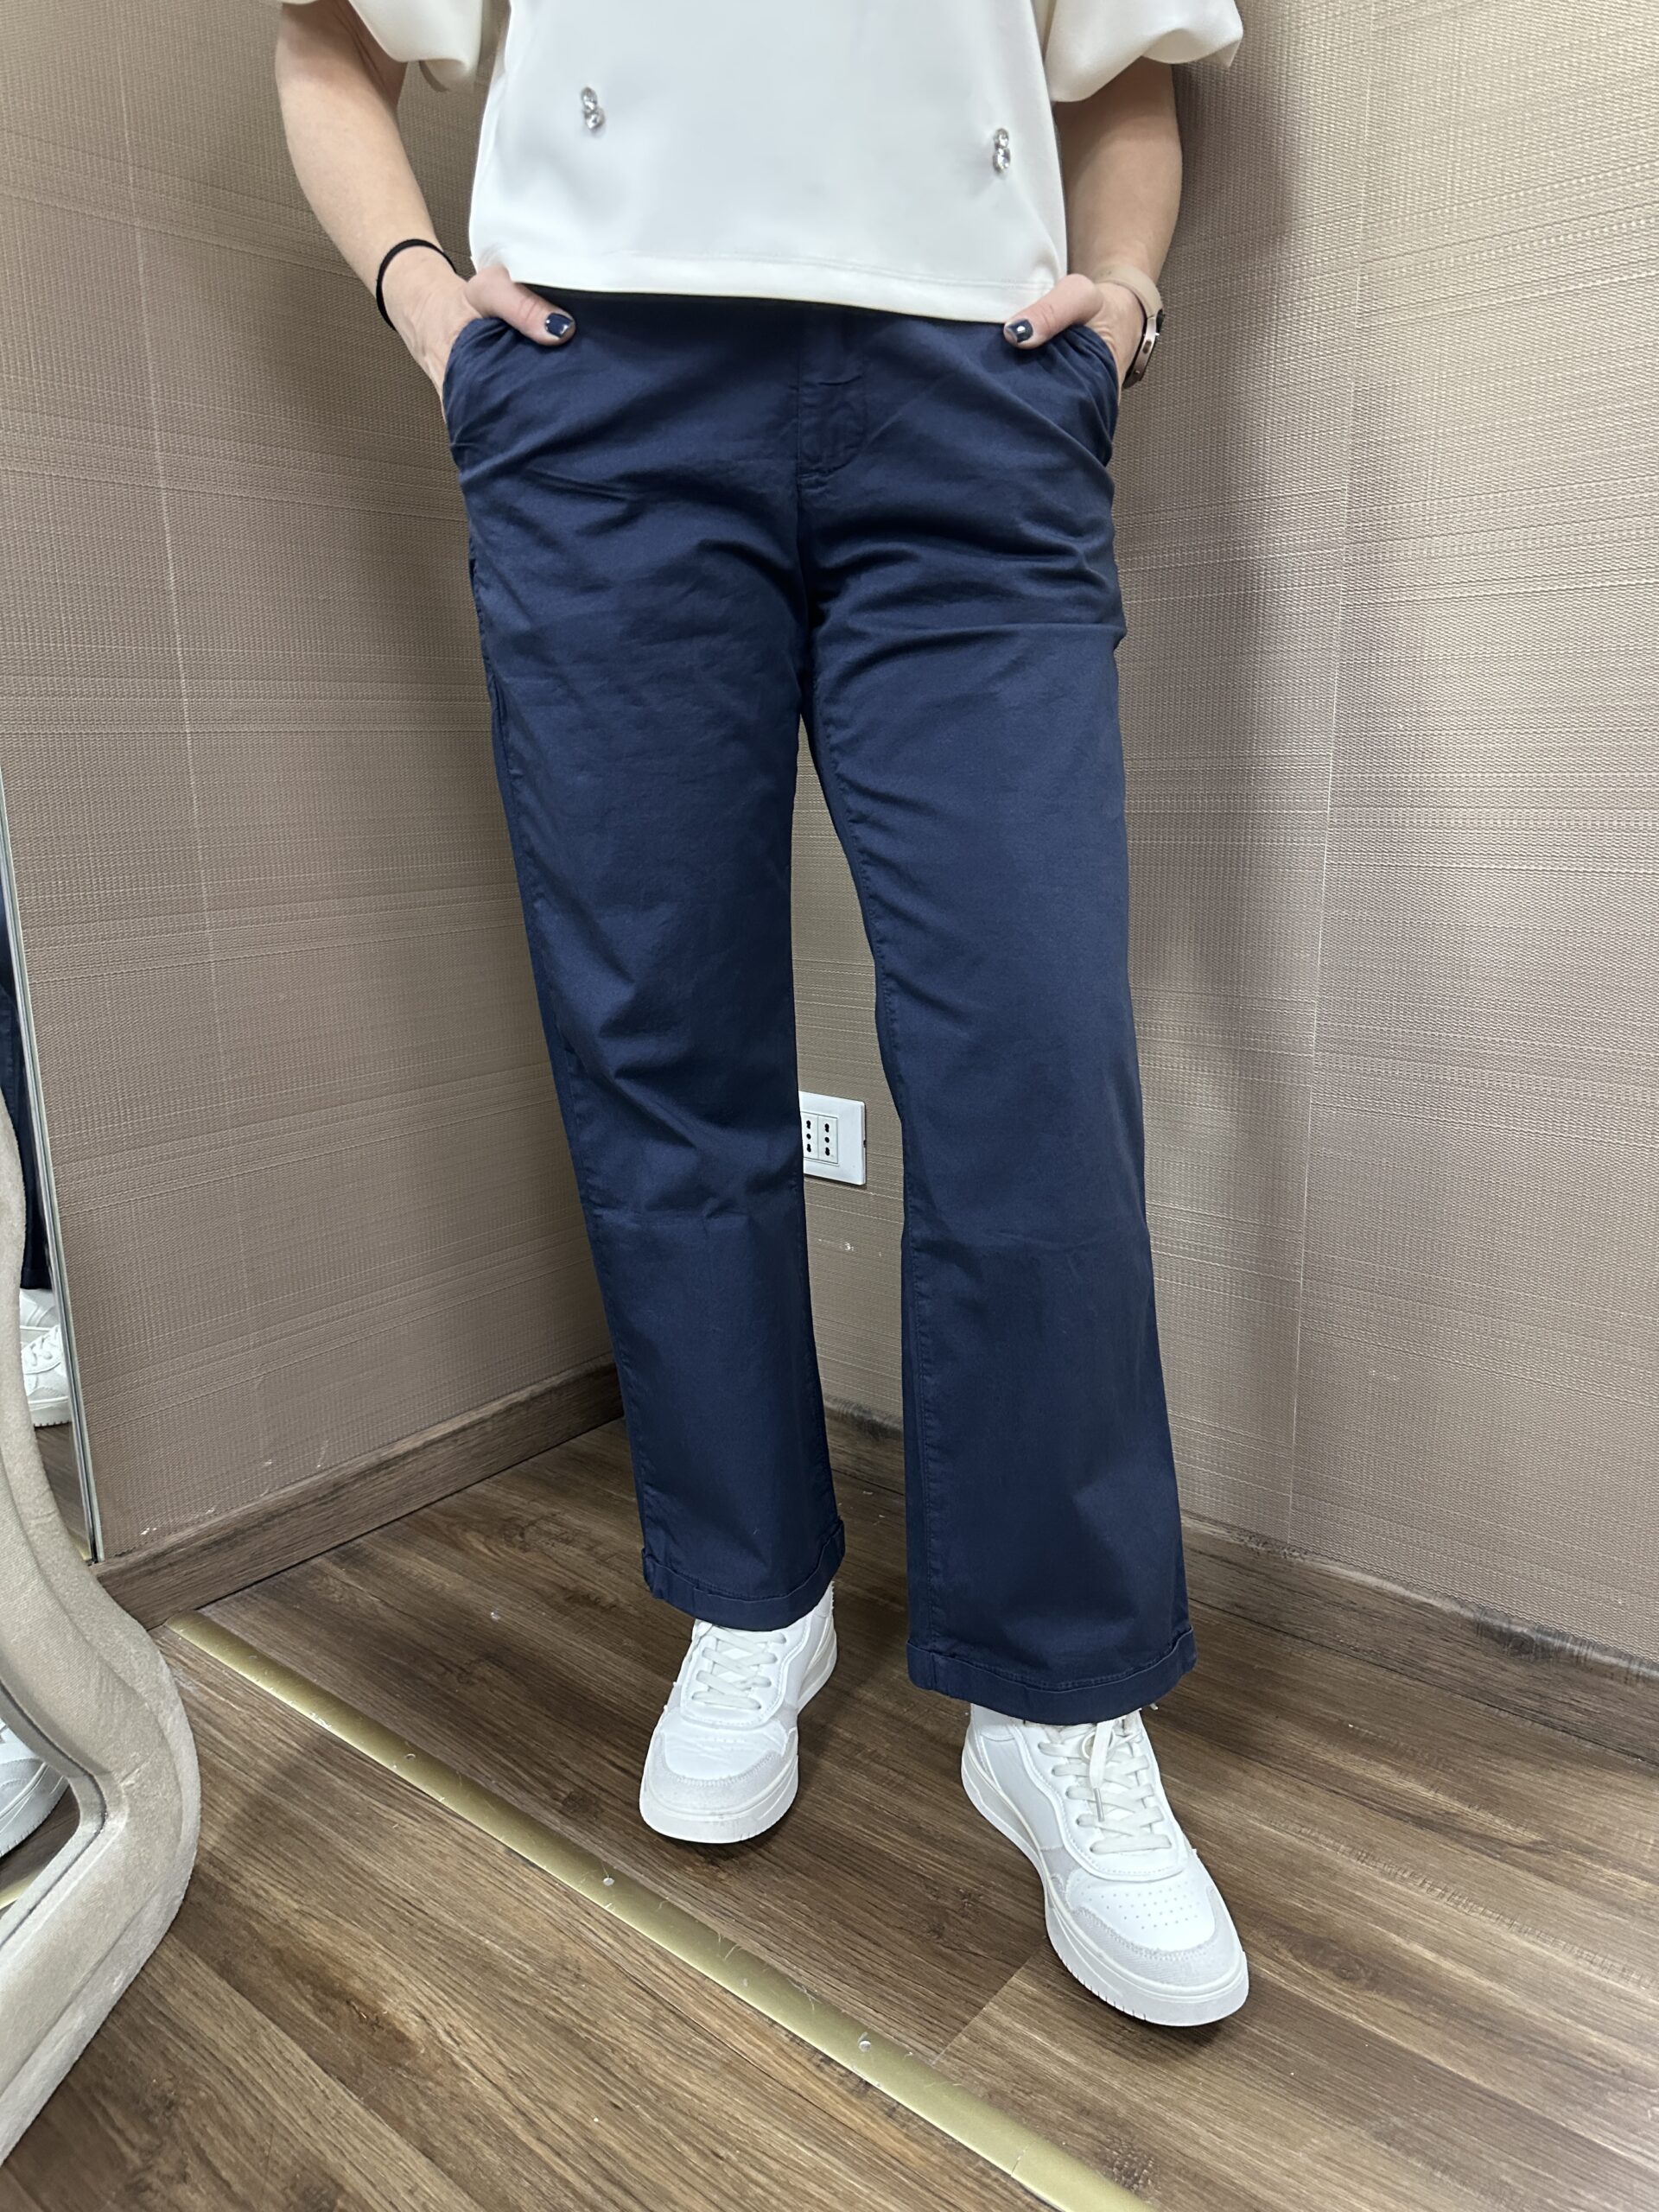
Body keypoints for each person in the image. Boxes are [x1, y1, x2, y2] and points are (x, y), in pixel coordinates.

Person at [267, 0, 1249, 2028]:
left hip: (974, 389)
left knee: (1034, 1049)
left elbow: (1128, 68)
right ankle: (752, 1589)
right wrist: (428, 302)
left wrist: (1127, 300)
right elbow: (328, 38)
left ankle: (1057, 1697)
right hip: (602, 388)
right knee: (660, 1036)